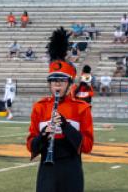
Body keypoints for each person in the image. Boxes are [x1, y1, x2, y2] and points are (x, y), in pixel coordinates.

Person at [27, 28, 93, 192]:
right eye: (53, 80)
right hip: (47, 169)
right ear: (49, 84)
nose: (57, 84)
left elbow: (87, 145)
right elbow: (30, 145)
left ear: (69, 84)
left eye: (61, 81)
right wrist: (43, 135)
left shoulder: (81, 108)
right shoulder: (40, 107)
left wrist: (65, 126)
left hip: (71, 168)